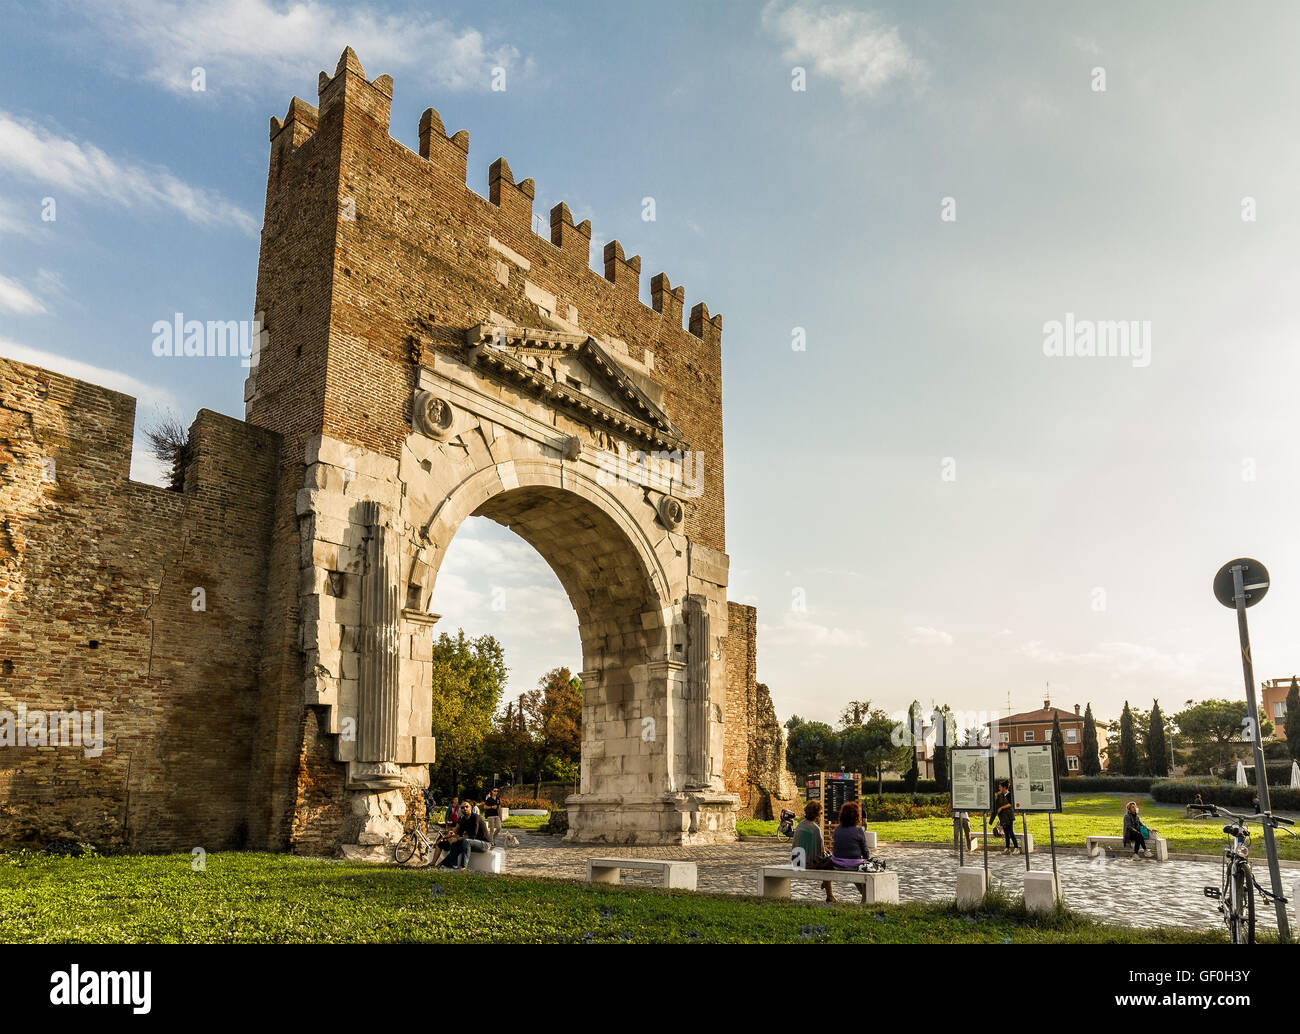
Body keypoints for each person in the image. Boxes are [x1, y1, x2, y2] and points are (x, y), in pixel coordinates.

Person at [792, 800, 837, 903]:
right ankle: (829, 895)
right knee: (830, 862)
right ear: (817, 814)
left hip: (796, 862)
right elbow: (819, 854)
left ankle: (826, 884)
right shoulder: (815, 829)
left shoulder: (800, 825)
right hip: (807, 863)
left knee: (827, 860)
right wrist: (828, 854)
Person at [831, 801, 873, 902]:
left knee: (858, 878)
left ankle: (865, 898)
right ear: (856, 816)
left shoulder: (837, 829)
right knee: (865, 876)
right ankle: (866, 900)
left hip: (837, 864)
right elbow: (865, 850)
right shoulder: (858, 830)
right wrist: (868, 859)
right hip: (854, 865)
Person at [440, 801, 492, 869]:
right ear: (460, 810)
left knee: (466, 841)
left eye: (466, 806)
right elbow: (459, 834)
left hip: (485, 843)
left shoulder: (475, 817)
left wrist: (457, 838)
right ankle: (453, 865)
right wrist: (450, 837)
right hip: (472, 843)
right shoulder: (463, 819)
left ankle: (463, 867)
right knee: (455, 844)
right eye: (462, 807)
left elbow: (472, 835)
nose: (464, 808)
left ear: (470, 808)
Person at [991, 781, 1019, 854]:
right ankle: (1007, 848)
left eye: (1000, 787)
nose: (999, 788)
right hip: (1003, 818)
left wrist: (1002, 808)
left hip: (1009, 817)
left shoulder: (1009, 795)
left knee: (1010, 832)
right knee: (1006, 833)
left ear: (1004, 787)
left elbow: (1011, 804)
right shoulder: (1000, 795)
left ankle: (1016, 848)